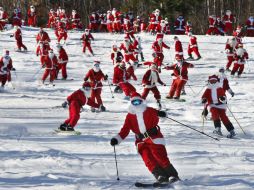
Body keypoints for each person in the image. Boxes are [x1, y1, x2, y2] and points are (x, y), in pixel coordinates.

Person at [110, 92, 179, 183]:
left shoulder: (149, 110)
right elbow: (125, 130)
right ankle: (160, 175)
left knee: (159, 156)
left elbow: (159, 113)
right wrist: (117, 139)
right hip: (141, 141)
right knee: (148, 159)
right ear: (131, 103)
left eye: (138, 102)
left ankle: (172, 175)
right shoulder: (130, 116)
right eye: (134, 102)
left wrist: (162, 114)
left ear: (142, 101)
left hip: (154, 138)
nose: (136, 104)